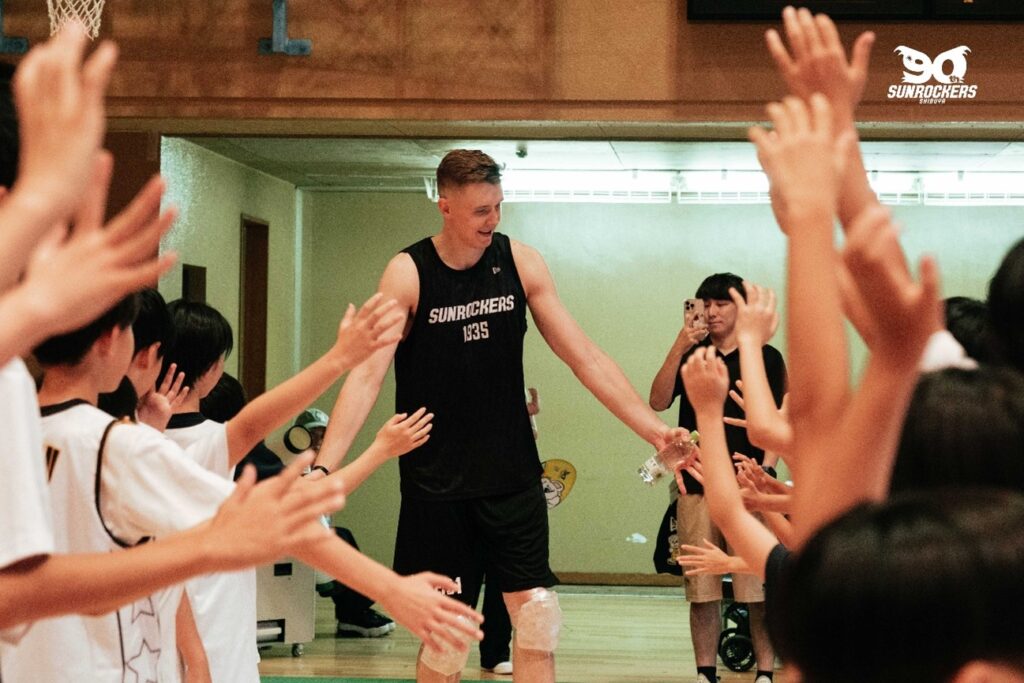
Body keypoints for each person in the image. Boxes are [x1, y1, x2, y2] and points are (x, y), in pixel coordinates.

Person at [313, 149, 685, 683]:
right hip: (436, 484)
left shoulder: (520, 262)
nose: (493, 220)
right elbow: (367, 376)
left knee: (537, 618)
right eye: (480, 211)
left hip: (512, 476)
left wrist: (654, 431)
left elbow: (585, 358)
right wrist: (324, 470)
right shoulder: (408, 273)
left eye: (498, 206)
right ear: (444, 206)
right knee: (446, 637)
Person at [650, 273, 786, 683]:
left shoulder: (765, 356)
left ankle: (765, 674)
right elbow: (657, 400)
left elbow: (780, 415)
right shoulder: (692, 354)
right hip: (696, 482)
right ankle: (705, 673)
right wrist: (680, 344)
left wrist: (766, 472)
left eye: (721, 303)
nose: (711, 312)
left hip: (750, 486)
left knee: (758, 587)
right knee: (702, 589)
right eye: (705, 303)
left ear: (740, 307)